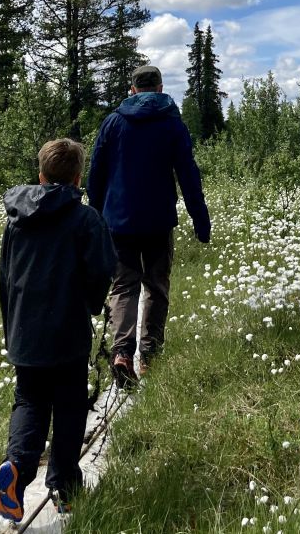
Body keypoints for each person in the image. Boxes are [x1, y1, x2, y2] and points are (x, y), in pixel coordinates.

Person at [0, 138, 115, 524]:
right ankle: (64, 486)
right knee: (68, 406)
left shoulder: (16, 218)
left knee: (29, 400)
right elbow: (102, 270)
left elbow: (6, 276)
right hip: (67, 331)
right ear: (79, 177)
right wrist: (94, 304)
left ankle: (16, 468)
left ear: (41, 174)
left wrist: (11, 324)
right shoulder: (85, 219)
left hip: (24, 331)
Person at [87, 64, 211, 386]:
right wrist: (200, 218)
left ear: (132, 90)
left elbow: (96, 174)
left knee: (124, 286)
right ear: (159, 88)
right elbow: (188, 174)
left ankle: (122, 353)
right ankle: (150, 356)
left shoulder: (113, 123)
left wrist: (94, 218)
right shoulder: (172, 124)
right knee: (156, 285)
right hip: (158, 221)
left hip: (118, 222)